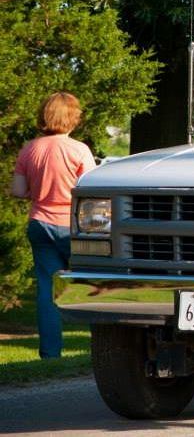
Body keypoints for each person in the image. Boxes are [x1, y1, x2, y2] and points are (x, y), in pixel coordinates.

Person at [10, 92, 96, 359]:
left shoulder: (30, 149)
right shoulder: (79, 150)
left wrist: (40, 190)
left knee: (47, 291)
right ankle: (101, 350)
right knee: (92, 286)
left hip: (40, 223)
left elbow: (17, 190)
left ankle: (50, 354)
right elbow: (93, 191)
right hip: (74, 227)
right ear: (72, 119)